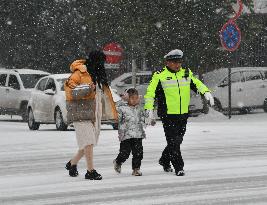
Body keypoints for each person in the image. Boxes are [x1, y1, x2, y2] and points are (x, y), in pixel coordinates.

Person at [144, 49, 214, 176]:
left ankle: (164, 160)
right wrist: (149, 109)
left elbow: (197, 84)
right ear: (168, 62)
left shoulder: (186, 73)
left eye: (179, 62)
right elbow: (150, 94)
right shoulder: (160, 75)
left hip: (183, 114)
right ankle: (179, 167)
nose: (178, 65)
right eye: (175, 62)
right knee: (173, 142)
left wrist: (205, 92)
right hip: (168, 114)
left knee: (177, 140)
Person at [64, 50, 118, 180]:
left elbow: (102, 96)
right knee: (88, 141)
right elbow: (70, 91)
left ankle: (72, 163)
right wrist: (88, 88)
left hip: (95, 113)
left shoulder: (98, 76)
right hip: (80, 112)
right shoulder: (79, 73)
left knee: (89, 143)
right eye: (100, 62)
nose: (101, 65)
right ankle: (90, 171)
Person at [113, 88, 155, 176]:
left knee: (138, 153)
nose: (135, 100)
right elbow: (116, 116)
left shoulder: (139, 109)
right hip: (126, 136)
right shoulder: (121, 108)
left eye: (136, 98)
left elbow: (144, 118)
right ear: (128, 98)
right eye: (132, 98)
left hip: (138, 135)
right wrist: (121, 101)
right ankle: (118, 161)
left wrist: (150, 120)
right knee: (125, 153)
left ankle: (136, 169)